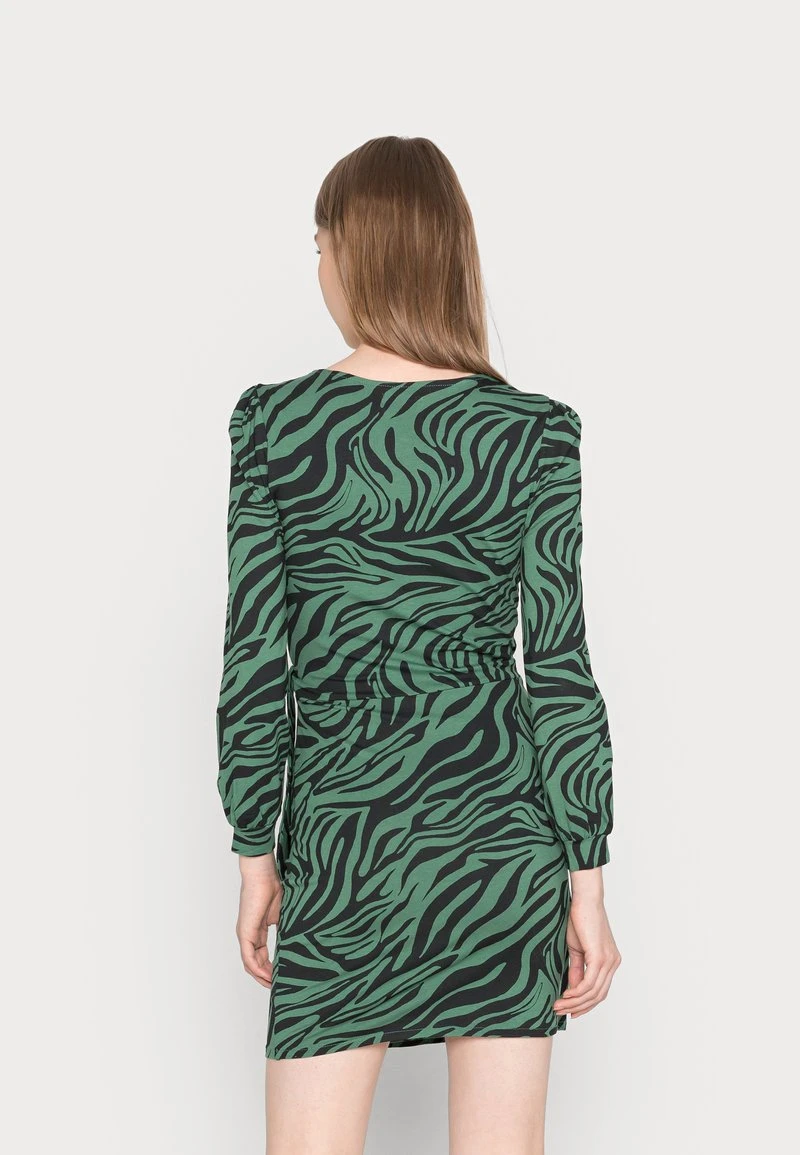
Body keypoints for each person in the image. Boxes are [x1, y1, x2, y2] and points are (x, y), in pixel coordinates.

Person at [215, 134, 621, 1155]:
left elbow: (256, 661)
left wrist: (256, 854)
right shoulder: (532, 432)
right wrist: (586, 879)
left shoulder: (276, 426)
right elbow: (558, 668)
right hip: (498, 836)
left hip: (345, 843)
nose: (317, 266)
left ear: (358, 252)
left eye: (321, 243)